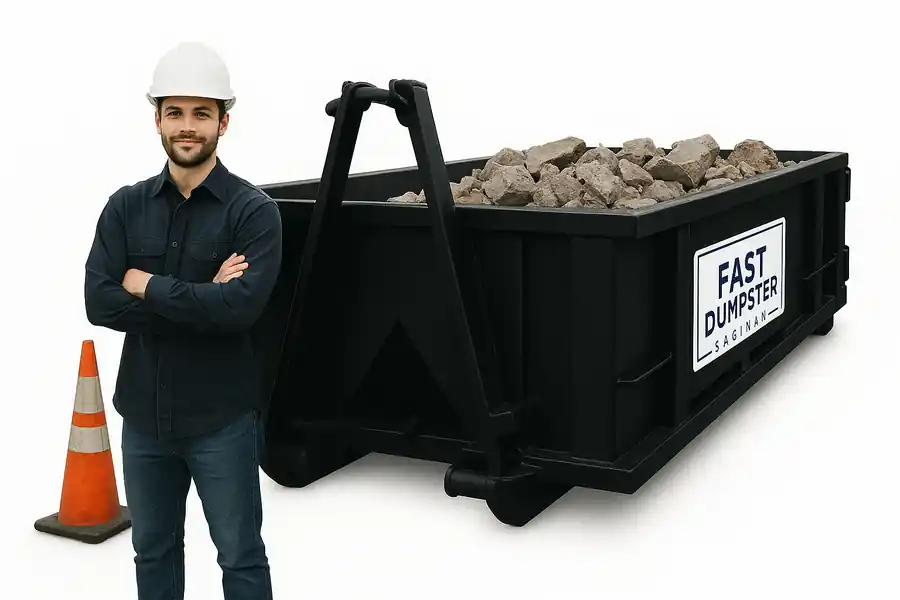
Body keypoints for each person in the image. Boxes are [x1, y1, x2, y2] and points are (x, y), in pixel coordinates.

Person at [83, 41, 281, 600]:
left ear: (224, 121)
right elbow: (99, 302)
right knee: (153, 550)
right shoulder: (125, 207)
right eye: (175, 112)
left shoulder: (254, 213)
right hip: (143, 420)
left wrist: (145, 286)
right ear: (157, 120)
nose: (187, 126)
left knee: (240, 557)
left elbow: (240, 309)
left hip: (222, 422)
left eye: (200, 113)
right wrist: (202, 299)